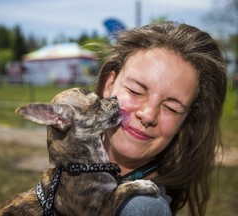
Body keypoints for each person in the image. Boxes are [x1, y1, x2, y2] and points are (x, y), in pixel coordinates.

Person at [94, 21, 227, 216]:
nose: (148, 115)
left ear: (185, 121)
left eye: (171, 108)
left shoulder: (141, 208)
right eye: (135, 91)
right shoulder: (72, 170)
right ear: (109, 85)